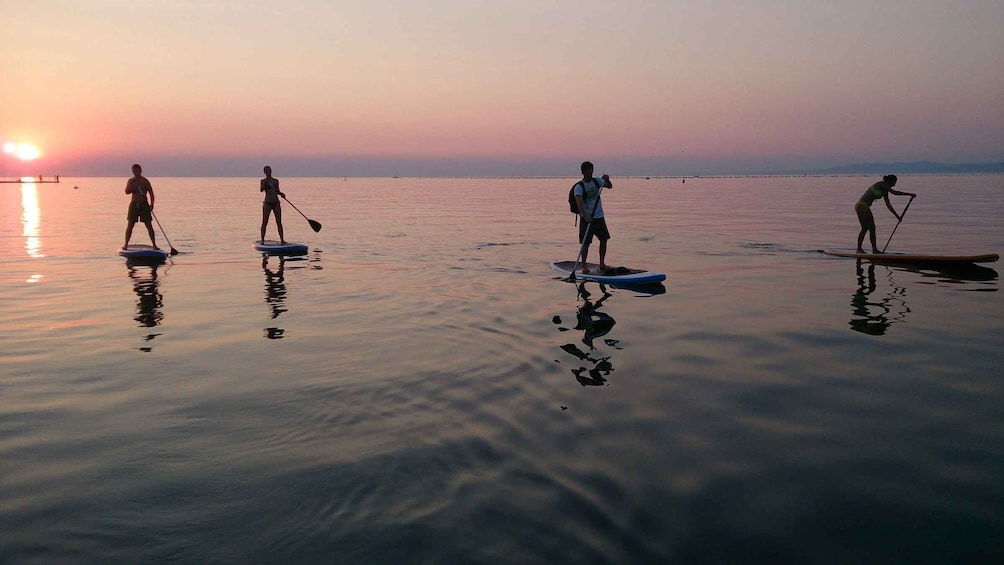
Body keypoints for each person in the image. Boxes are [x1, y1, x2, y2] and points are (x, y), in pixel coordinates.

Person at [855, 174, 916, 253]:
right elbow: (894, 193)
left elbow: (888, 205)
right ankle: (859, 249)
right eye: (894, 182)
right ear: (889, 181)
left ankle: (875, 250)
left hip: (866, 207)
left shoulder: (885, 191)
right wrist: (909, 194)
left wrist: (897, 216)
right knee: (865, 228)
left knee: (873, 228)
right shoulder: (881, 184)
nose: (895, 184)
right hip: (860, 206)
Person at [572, 161, 613, 273]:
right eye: (587, 173)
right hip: (587, 219)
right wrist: (586, 216)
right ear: (583, 172)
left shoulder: (597, 181)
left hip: (599, 216)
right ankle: (584, 266)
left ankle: (602, 263)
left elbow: (609, 186)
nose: (589, 175)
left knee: (604, 239)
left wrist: (607, 179)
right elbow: (580, 204)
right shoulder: (579, 187)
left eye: (591, 172)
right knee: (586, 243)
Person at [123, 163, 158, 250]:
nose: (136, 173)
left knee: (149, 225)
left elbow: (151, 193)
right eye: (134, 171)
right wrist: (133, 185)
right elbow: (127, 192)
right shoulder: (130, 181)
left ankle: (154, 245)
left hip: (144, 205)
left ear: (140, 171)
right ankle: (126, 244)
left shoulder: (145, 181)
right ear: (133, 171)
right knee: (130, 225)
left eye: (138, 171)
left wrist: (152, 204)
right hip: (134, 205)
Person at [260, 165, 286, 244]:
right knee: (265, 222)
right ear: (264, 172)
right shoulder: (263, 181)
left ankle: (282, 240)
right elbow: (261, 190)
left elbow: (277, 191)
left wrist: (281, 194)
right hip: (267, 203)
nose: (268, 172)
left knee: (279, 222)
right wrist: (265, 184)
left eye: (269, 170)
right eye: (266, 171)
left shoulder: (275, 181)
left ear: (271, 171)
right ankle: (262, 240)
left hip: (276, 203)